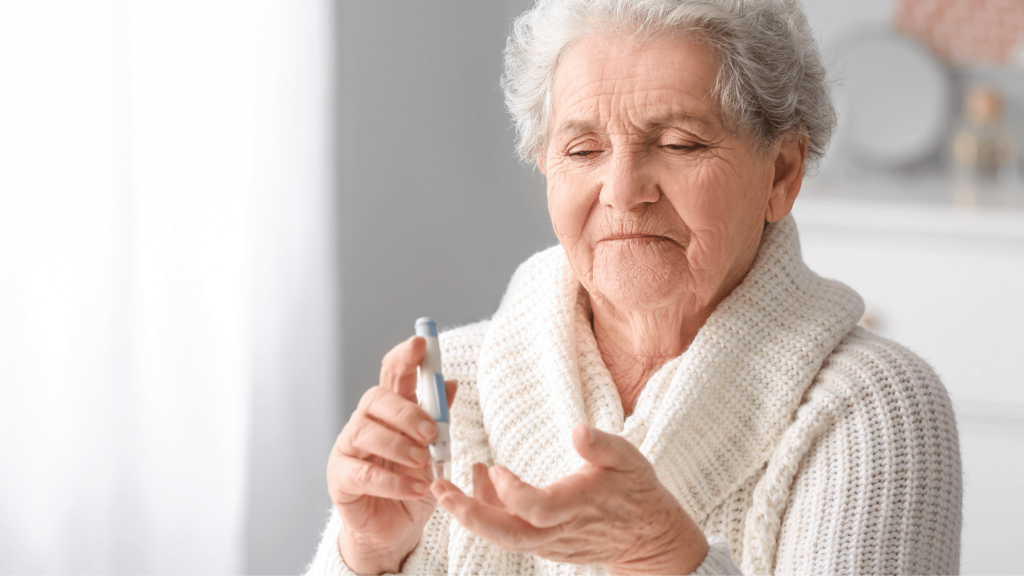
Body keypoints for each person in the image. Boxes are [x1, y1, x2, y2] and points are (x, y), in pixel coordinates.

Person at [306, 0, 962, 573]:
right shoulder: (452, 389)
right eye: (584, 151)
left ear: (782, 173)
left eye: (678, 144)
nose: (623, 192)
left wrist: (665, 557)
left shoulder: (874, 407)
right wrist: (368, 556)